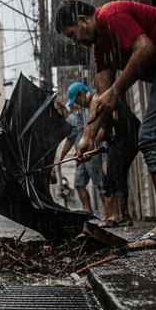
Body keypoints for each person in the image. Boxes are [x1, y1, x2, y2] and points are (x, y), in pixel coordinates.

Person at [55, 0, 156, 249]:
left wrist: (116, 90)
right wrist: (87, 136)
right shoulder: (100, 49)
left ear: (83, 19)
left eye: (72, 35)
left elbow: (145, 49)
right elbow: (99, 96)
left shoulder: (111, 15)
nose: (75, 42)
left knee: (152, 136)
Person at [68, 83, 140, 227]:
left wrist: (91, 142)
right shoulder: (94, 104)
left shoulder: (98, 99)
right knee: (113, 173)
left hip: (128, 133)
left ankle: (120, 217)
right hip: (119, 136)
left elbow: (102, 132)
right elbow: (105, 133)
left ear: (82, 94)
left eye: (77, 100)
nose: (78, 105)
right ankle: (121, 216)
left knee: (115, 170)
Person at [54, 83, 103, 215]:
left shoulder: (71, 119)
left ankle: (108, 213)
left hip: (89, 154)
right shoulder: (71, 118)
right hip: (81, 155)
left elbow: (70, 141)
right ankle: (89, 212)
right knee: (79, 184)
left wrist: (60, 158)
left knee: (100, 183)